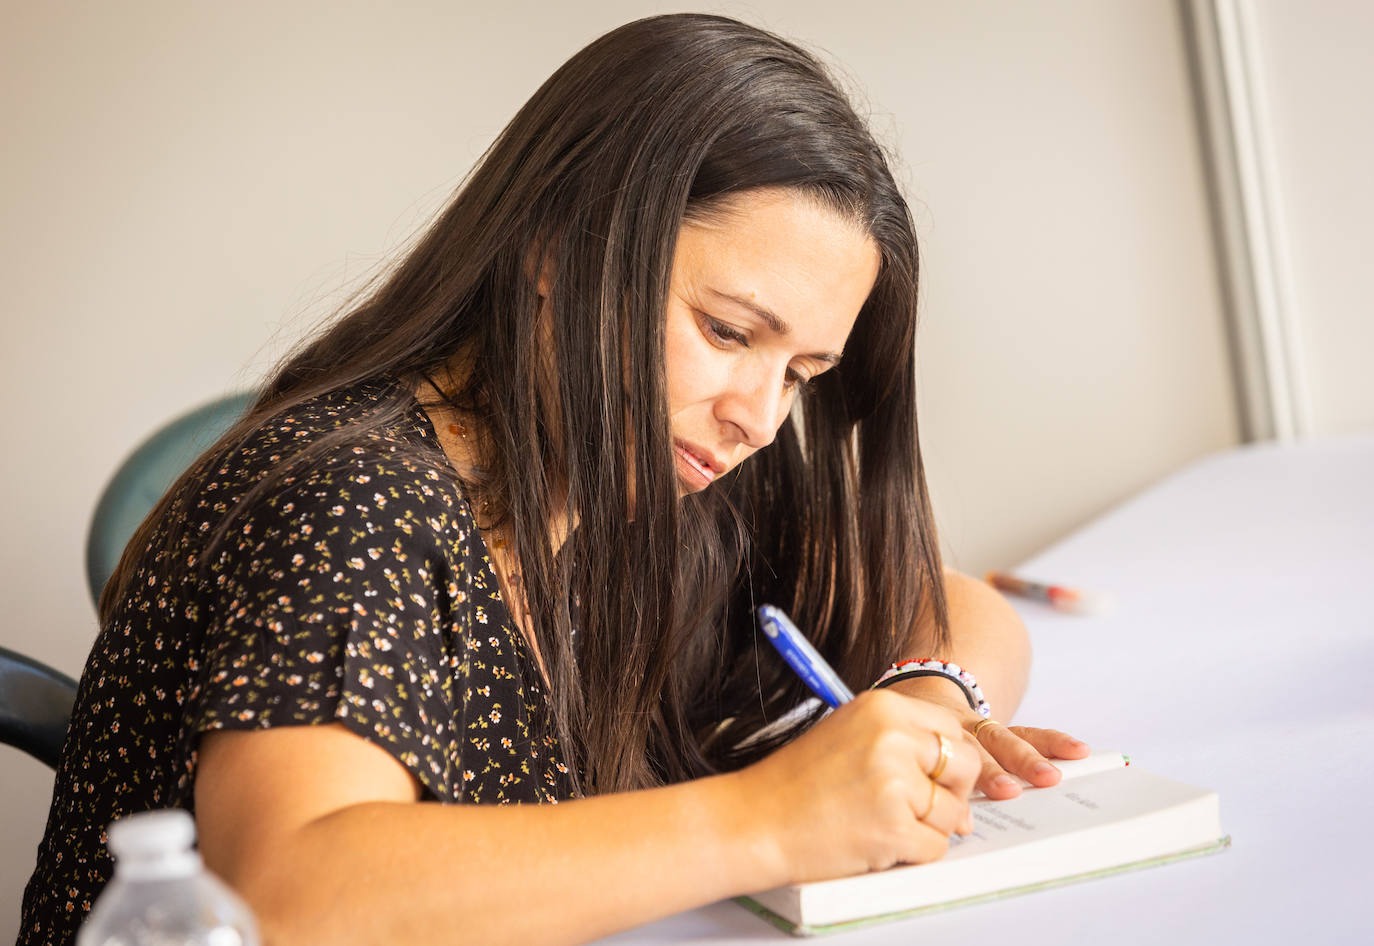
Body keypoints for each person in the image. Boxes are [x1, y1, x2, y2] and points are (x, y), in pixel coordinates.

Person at [21, 13, 1087, 945]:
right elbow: (295, 900)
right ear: (558, 245)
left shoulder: (652, 470)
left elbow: (951, 600)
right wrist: (773, 815)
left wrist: (929, 704)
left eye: (802, 375)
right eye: (725, 330)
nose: (759, 417)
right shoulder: (355, 500)